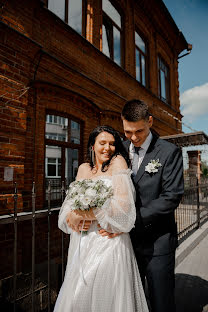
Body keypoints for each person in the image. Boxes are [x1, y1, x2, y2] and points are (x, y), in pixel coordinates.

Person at [54, 125, 149, 312]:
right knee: (77, 296)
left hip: (108, 238)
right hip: (83, 240)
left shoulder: (118, 163)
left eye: (112, 144)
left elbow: (123, 207)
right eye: (102, 143)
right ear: (92, 146)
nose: (108, 148)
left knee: (106, 294)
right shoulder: (83, 169)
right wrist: (71, 216)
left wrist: (84, 213)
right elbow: (69, 205)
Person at [120, 99, 184, 312]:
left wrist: (131, 219)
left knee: (161, 302)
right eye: (128, 132)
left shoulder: (168, 152)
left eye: (139, 131)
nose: (134, 137)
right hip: (125, 243)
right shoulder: (119, 148)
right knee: (131, 301)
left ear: (150, 121)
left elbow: (171, 197)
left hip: (158, 242)